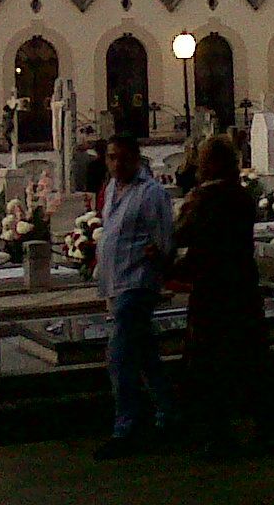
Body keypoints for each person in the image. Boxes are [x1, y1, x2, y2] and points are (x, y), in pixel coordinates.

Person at [173, 136, 274, 459]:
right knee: (251, 362)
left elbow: (183, 233)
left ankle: (219, 435)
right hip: (243, 287)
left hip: (212, 292)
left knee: (210, 365)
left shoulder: (205, 199)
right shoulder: (242, 196)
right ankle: (268, 429)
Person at [95, 133, 177, 460]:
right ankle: (169, 411)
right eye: (111, 157)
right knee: (144, 353)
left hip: (137, 282)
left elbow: (164, 240)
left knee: (119, 354)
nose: (116, 164)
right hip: (116, 282)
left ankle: (125, 427)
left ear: (135, 158)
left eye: (122, 158)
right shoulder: (113, 188)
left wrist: (157, 257)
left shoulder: (151, 193)